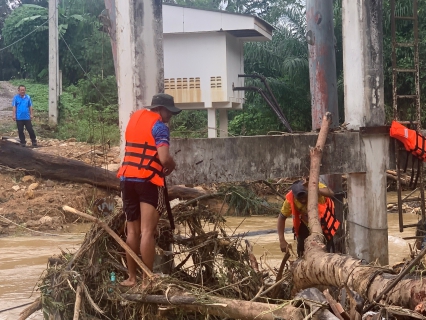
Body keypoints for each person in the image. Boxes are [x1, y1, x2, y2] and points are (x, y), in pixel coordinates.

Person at [117, 93, 181, 287]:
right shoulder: (160, 127)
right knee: (147, 231)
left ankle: (131, 278)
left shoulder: (134, 118)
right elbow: (163, 159)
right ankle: (146, 280)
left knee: (132, 232)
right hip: (147, 180)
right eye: (169, 111)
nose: (170, 115)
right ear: (160, 109)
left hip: (127, 179)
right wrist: (172, 165)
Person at [277, 180, 340, 257]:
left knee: (326, 252)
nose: (303, 200)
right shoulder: (290, 199)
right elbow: (281, 218)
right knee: (301, 252)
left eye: (304, 197)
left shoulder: (313, 187)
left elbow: (331, 193)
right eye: (300, 199)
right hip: (305, 224)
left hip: (324, 224)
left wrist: (315, 189)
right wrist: (281, 240)